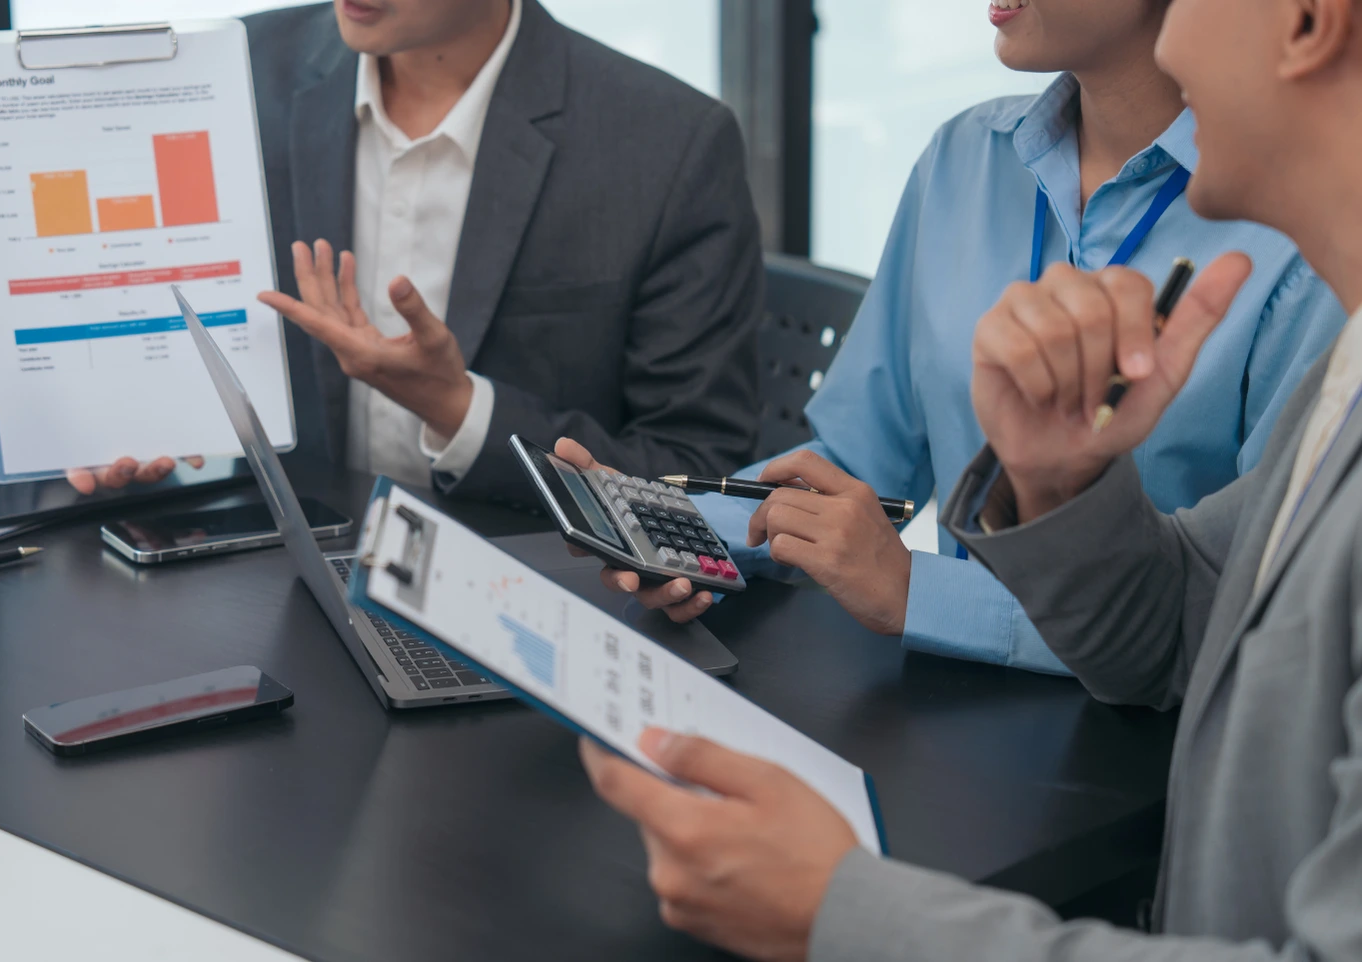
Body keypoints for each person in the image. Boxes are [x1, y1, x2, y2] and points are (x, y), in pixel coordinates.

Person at [579, 0, 1362, 958]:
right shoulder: (1347, 377)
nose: (1178, 43)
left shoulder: (1302, 291)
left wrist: (842, 913)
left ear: (1311, 20)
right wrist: (672, 517)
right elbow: (1192, 617)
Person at [565, 0, 1347, 674]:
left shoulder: (1300, 229)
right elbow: (853, 470)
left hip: (1144, 748)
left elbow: (1238, 614)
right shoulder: (963, 157)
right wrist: (681, 531)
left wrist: (918, 592)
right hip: (945, 702)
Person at [67, 0, 763, 501]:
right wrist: (138, 414)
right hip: (278, 567)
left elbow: (694, 472)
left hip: (531, 584)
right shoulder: (229, 71)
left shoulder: (667, 143)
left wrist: (459, 408)